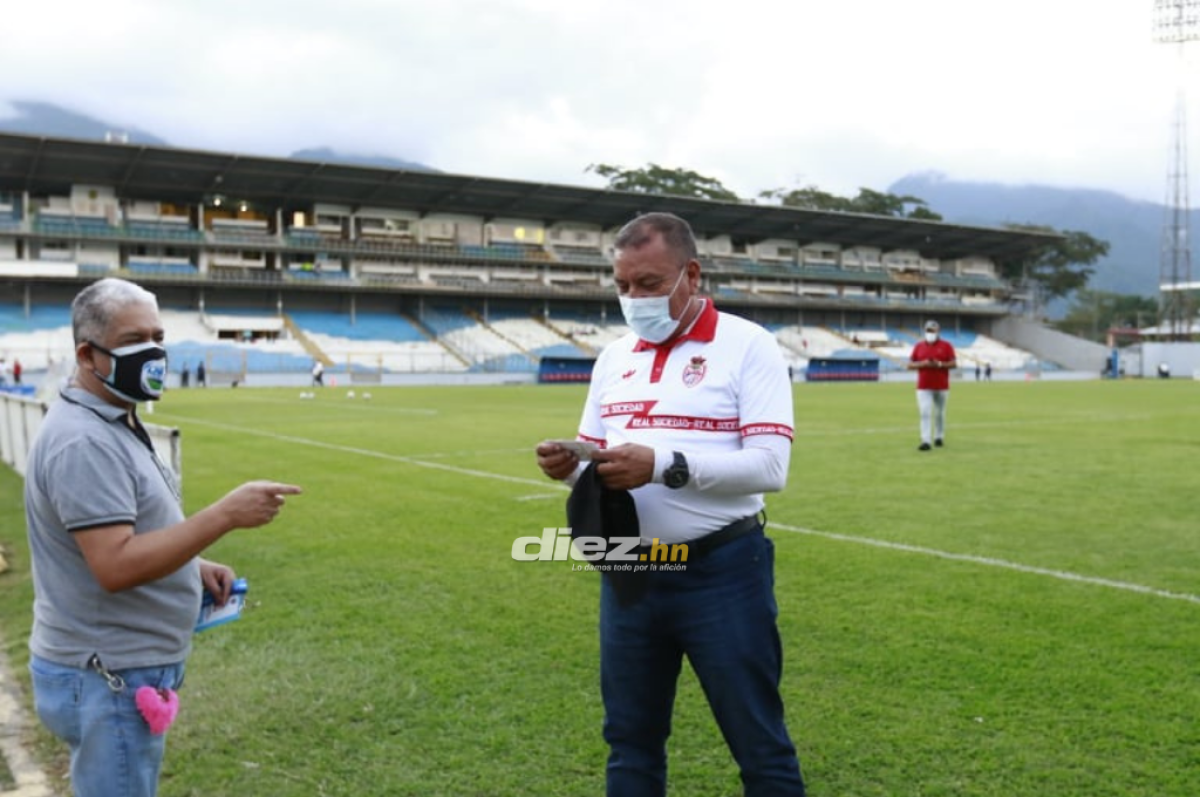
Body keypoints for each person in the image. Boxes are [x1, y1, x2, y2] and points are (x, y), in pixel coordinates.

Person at [536, 212, 806, 796]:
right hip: (632, 565)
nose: (634, 299)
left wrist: (664, 464)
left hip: (723, 571)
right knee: (630, 742)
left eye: (650, 284)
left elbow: (769, 468)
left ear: (691, 273)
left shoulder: (747, 345)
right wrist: (571, 466)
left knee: (759, 743)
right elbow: (603, 462)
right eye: (623, 286)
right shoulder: (612, 358)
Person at [24, 277, 302, 797]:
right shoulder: (83, 440)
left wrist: (190, 565)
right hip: (107, 678)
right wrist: (223, 515)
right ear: (88, 354)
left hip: (117, 673)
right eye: (134, 340)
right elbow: (115, 565)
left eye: (157, 335)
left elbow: (123, 534)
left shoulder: (110, 418)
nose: (152, 350)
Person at [906, 319, 957, 451]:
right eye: (928, 331)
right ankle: (926, 440)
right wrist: (922, 364)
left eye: (932, 331)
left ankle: (939, 436)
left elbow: (954, 364)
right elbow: (909, 364)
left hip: (941, 385)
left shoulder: (947, 346)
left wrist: (939, 364)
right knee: (925, 412)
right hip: (923, 386)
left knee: (939, 413)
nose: (930, 333)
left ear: (938, 331)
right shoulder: (919, 346)